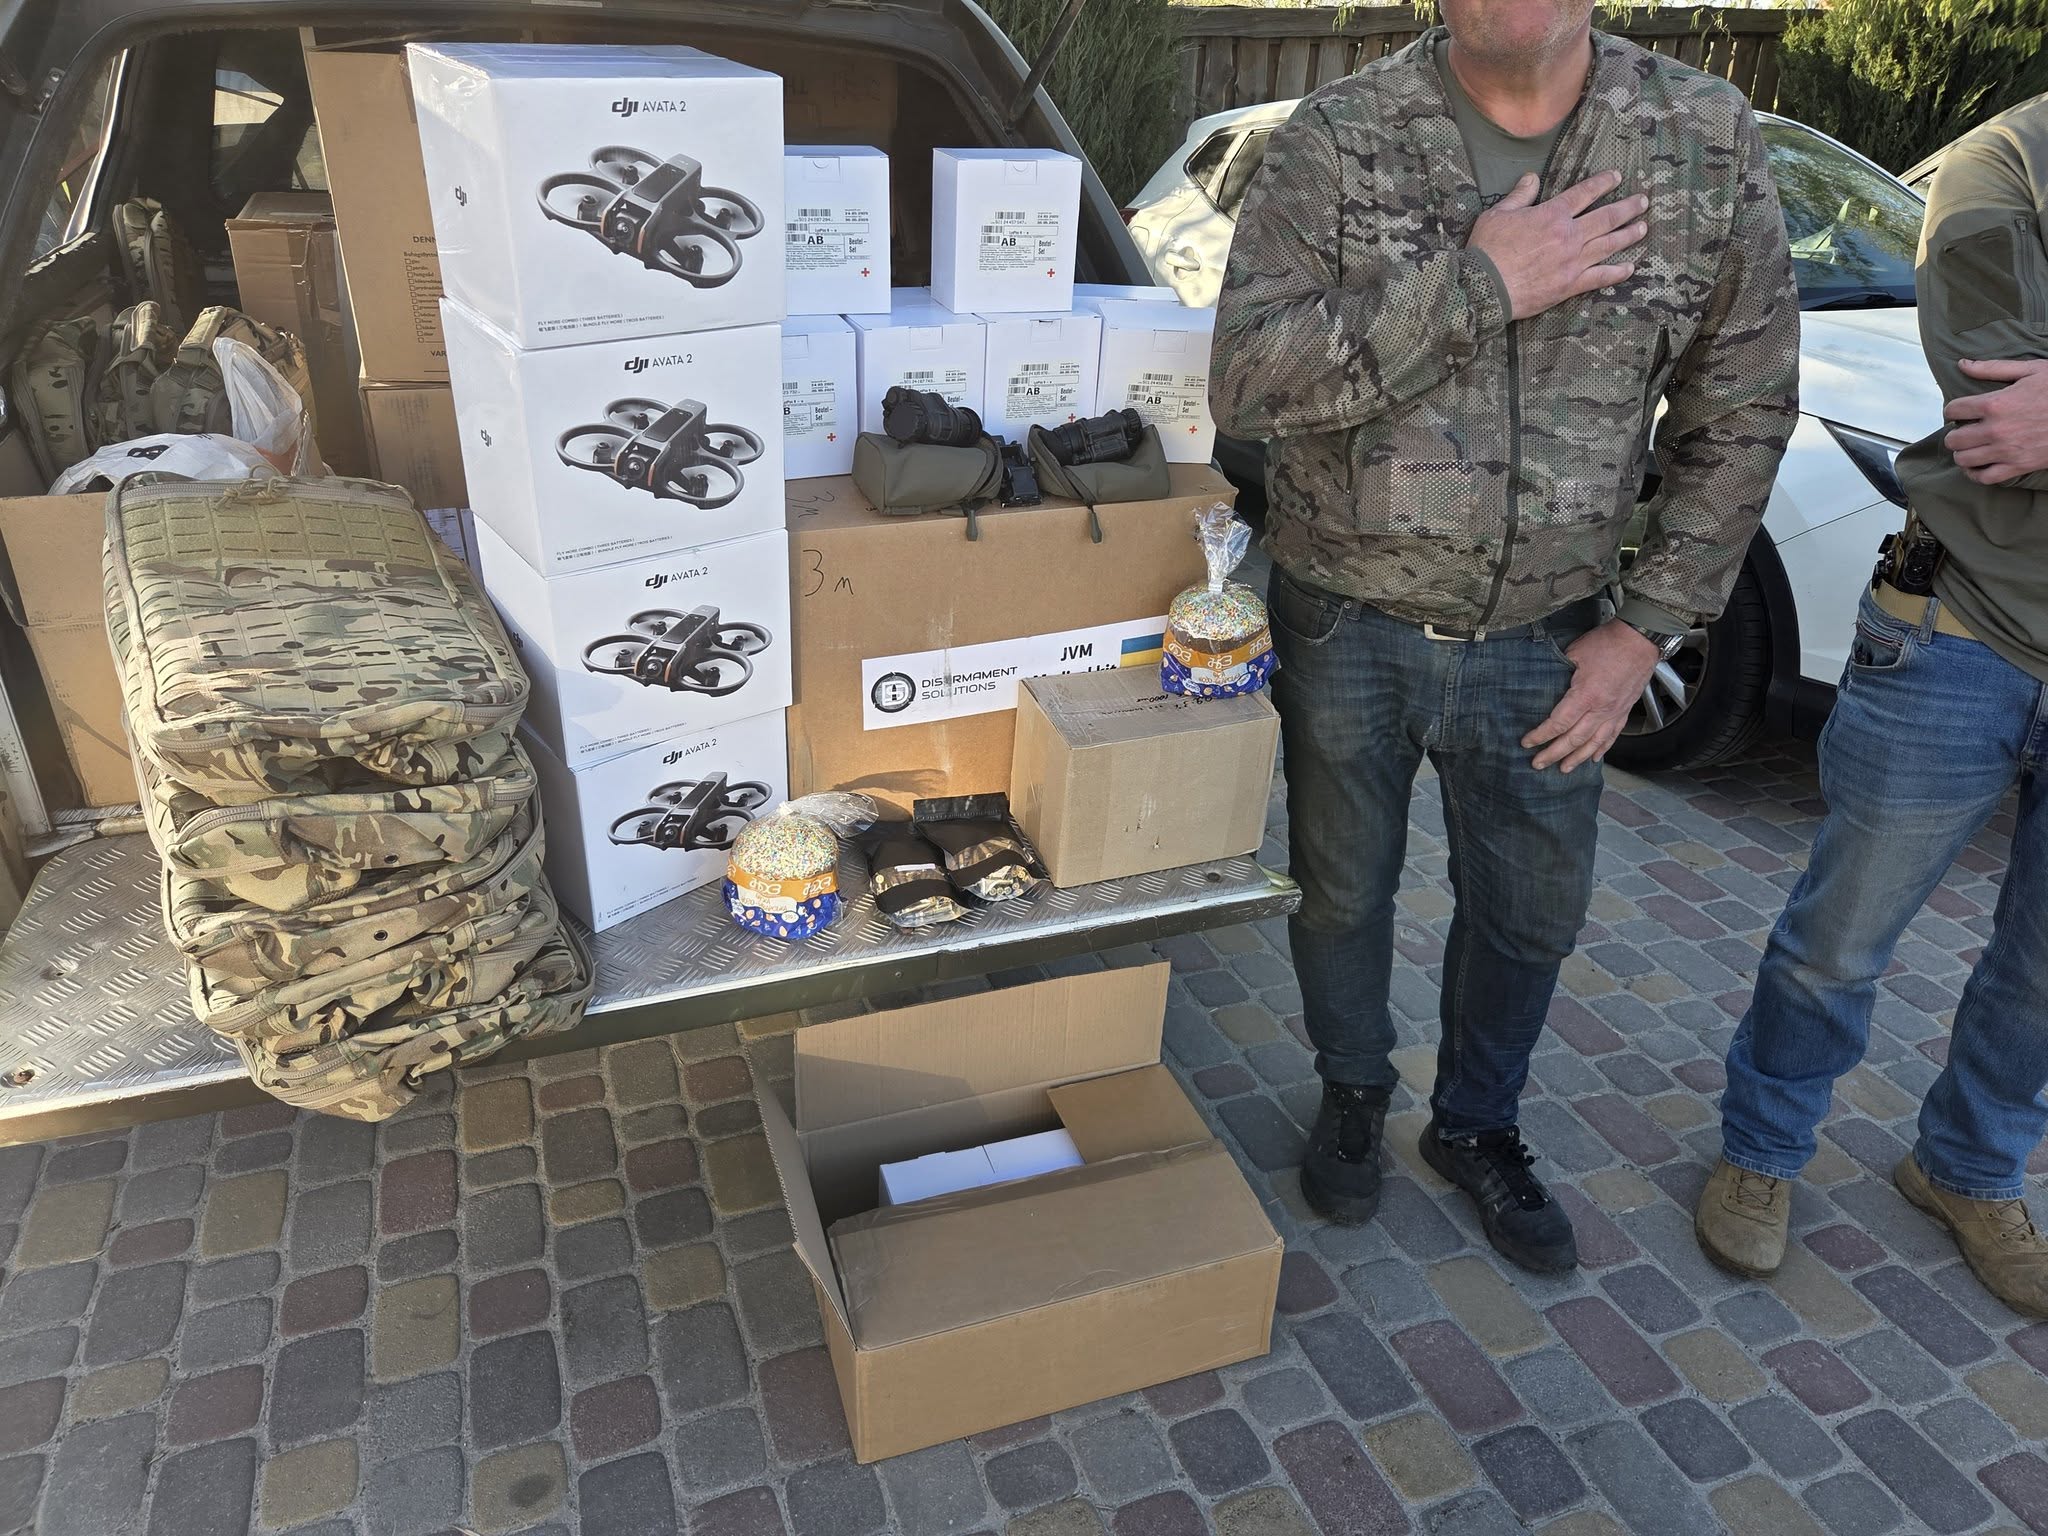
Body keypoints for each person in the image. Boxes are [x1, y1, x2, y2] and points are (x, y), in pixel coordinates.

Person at [1211, 0, 1798, 1272]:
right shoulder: (1338, 135)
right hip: (1346, 620)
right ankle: (1352, 1088)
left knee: (1529, 913)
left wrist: (1647, 630)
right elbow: (1247, 376)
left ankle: (1474, 1123)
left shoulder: (1697, 137)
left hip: (1553, 637)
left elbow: (1741, 408)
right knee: (1339, 893)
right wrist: (1478, 286)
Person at [1698, 98, 2048, 1318]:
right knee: (1838, 938)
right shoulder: (2009, 164)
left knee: (2041, 973)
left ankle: (1966, 1169)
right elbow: (1999, 412)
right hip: (1960, 631)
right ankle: (1760, 1150)